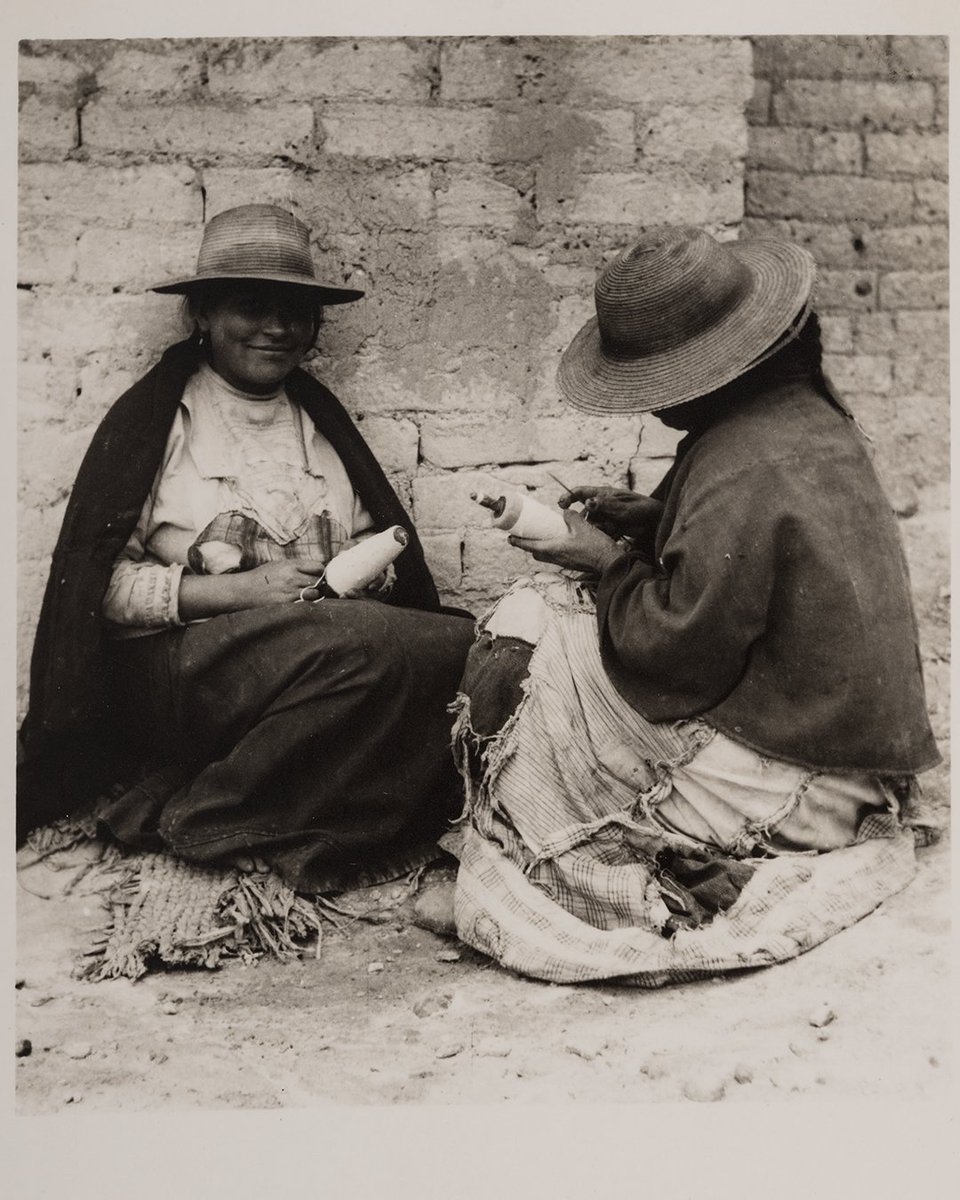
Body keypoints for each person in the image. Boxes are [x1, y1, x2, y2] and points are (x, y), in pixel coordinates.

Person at [448, 224, 940, 984]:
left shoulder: (741, 461)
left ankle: (576, 847)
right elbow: (759, 561)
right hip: (854, 761)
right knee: (559, 613)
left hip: (800, 789)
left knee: (531, 619)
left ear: (699, 375)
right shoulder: (800, 417)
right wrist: (652, 519)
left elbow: (673, 651)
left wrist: (600, 557)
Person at [18, 204, 475, 893]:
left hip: (303, 645)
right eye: (251, 307)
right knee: (356, 649)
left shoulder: (317, 420)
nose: (278, 328)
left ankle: (297, 816)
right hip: (178, 665)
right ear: (201, 316)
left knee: (458, 643)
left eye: (295, 312)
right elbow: (98, 593)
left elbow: (361, 547)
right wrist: (239, 592)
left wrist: (352, 578)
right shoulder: (158, 418)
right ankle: (206, 817)